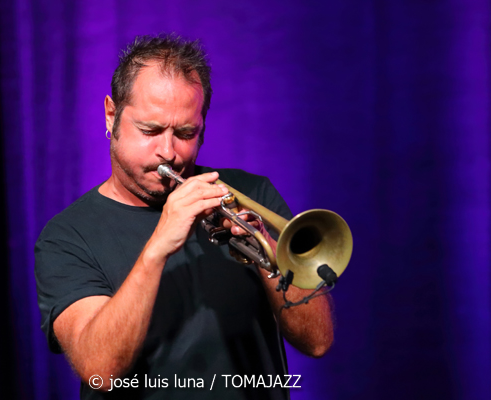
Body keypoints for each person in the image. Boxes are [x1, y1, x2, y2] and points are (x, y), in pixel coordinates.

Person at [35, 34, 334, 400]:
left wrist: (266, 251)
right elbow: (99, 370)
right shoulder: (67, 235)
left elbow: (317, 341)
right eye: (150, 130)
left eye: (185, 133)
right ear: (112, 115)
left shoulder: (252, 194)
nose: (168, 152)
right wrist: (158, 247)